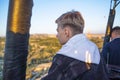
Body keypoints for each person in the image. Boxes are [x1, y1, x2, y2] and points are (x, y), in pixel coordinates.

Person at [41, 10, 109, 80]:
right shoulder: (95, 50)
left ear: (66, 32)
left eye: (58, 31)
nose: (57, 35)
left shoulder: (62, 57)